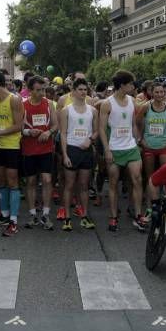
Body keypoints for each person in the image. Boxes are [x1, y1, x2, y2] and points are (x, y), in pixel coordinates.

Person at [99, 70, 145, 232]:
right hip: (114, 148)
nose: (133, 86)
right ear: (122, 85)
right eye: (131, 84)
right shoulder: (107, 103)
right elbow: (102, 129)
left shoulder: (132, 100)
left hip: (131, 147)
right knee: (113, 184)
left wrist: (137, 139)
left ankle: (138, 214)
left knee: (137, 179)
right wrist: (107, 150)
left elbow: (133, 124)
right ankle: (113, 217)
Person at [0, 70, 24, 236]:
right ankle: (5, 215)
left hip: (11, 146)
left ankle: (14, 220)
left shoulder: (14, 99)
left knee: (12, 181)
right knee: (0, 180)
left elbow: (19, 125)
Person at [58, 78, 98, 231]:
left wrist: (90, 139)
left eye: (85, 90)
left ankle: (84, 216)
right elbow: (62, 133)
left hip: (86, 151)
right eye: (80, 89)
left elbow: (96, 131)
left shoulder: (92, 110)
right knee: (69, 185)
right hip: (72, 150)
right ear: (73, 91)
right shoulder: (66, 110)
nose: (83, 92)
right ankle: (67, 218)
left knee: (83, 186)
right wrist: (65, 155)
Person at [136, 81, 166, 214]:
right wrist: (140, 139)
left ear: (165, 93)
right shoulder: (145, 107)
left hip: (164, 146)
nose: (160, 94)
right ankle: (150, 207)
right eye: (156, 92)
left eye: (162, 92)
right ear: (151, 93)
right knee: (150, 177)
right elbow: (137, 122)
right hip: (149, 146)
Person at [21, 76, 58, 230]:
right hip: (29, 149)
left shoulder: (49, 104)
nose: (41, 93)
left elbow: (56, 125)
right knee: (30, 182)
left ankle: (46, 214)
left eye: (43, 89)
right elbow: (18, 127)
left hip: (46, 148)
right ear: (30, 91)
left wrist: (48, 133)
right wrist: (29, 132)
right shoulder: (23, 105)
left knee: (47, 180)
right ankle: (32, 215)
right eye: (38, 90)